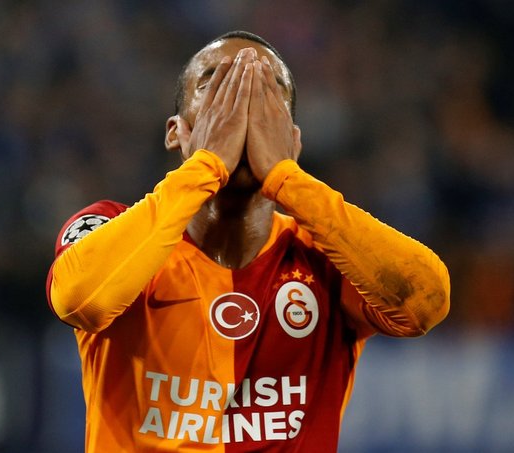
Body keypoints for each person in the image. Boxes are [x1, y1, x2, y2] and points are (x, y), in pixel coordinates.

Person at [46, 30, 450, 452]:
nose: (241, 106)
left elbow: (426, 304)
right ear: (176, 132)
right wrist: (205, 166)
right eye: (216, 86)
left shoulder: (329, 255)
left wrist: (287, 179)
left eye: (265, 91)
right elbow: (79, 300)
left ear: (291, 140)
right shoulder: (112, 228)